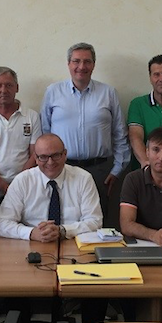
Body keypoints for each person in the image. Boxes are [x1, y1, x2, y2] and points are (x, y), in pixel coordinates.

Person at [40, 42, 130, 220]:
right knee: (63, 218)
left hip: (100, 171)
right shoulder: (53, 92)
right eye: (76, 61)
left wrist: (116, 170)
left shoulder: (108, 93)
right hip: (61, 168)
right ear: (68, 64)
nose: (81, 67)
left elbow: (120, 134)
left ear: (93, 65)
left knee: (97, 222)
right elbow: (44, 132)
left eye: (87, 61)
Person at [0, 133, 102, 241]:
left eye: (55, 155)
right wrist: (31, 233)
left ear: (65, 155)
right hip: (33, 245)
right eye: (43, 157)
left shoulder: (83, 178)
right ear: (36, 158)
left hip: (72, 243)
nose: (50, 162)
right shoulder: (22, 181)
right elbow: (1, 224)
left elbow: (95, 221)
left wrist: (62, 230)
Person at [0, 67, 41, 215]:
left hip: (26, 188)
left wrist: (17, 185)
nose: (3, 90)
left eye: (9, 85)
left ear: (17, 87)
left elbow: (35, 155)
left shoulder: (32, 116)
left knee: (24, 228)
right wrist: (3, 186)